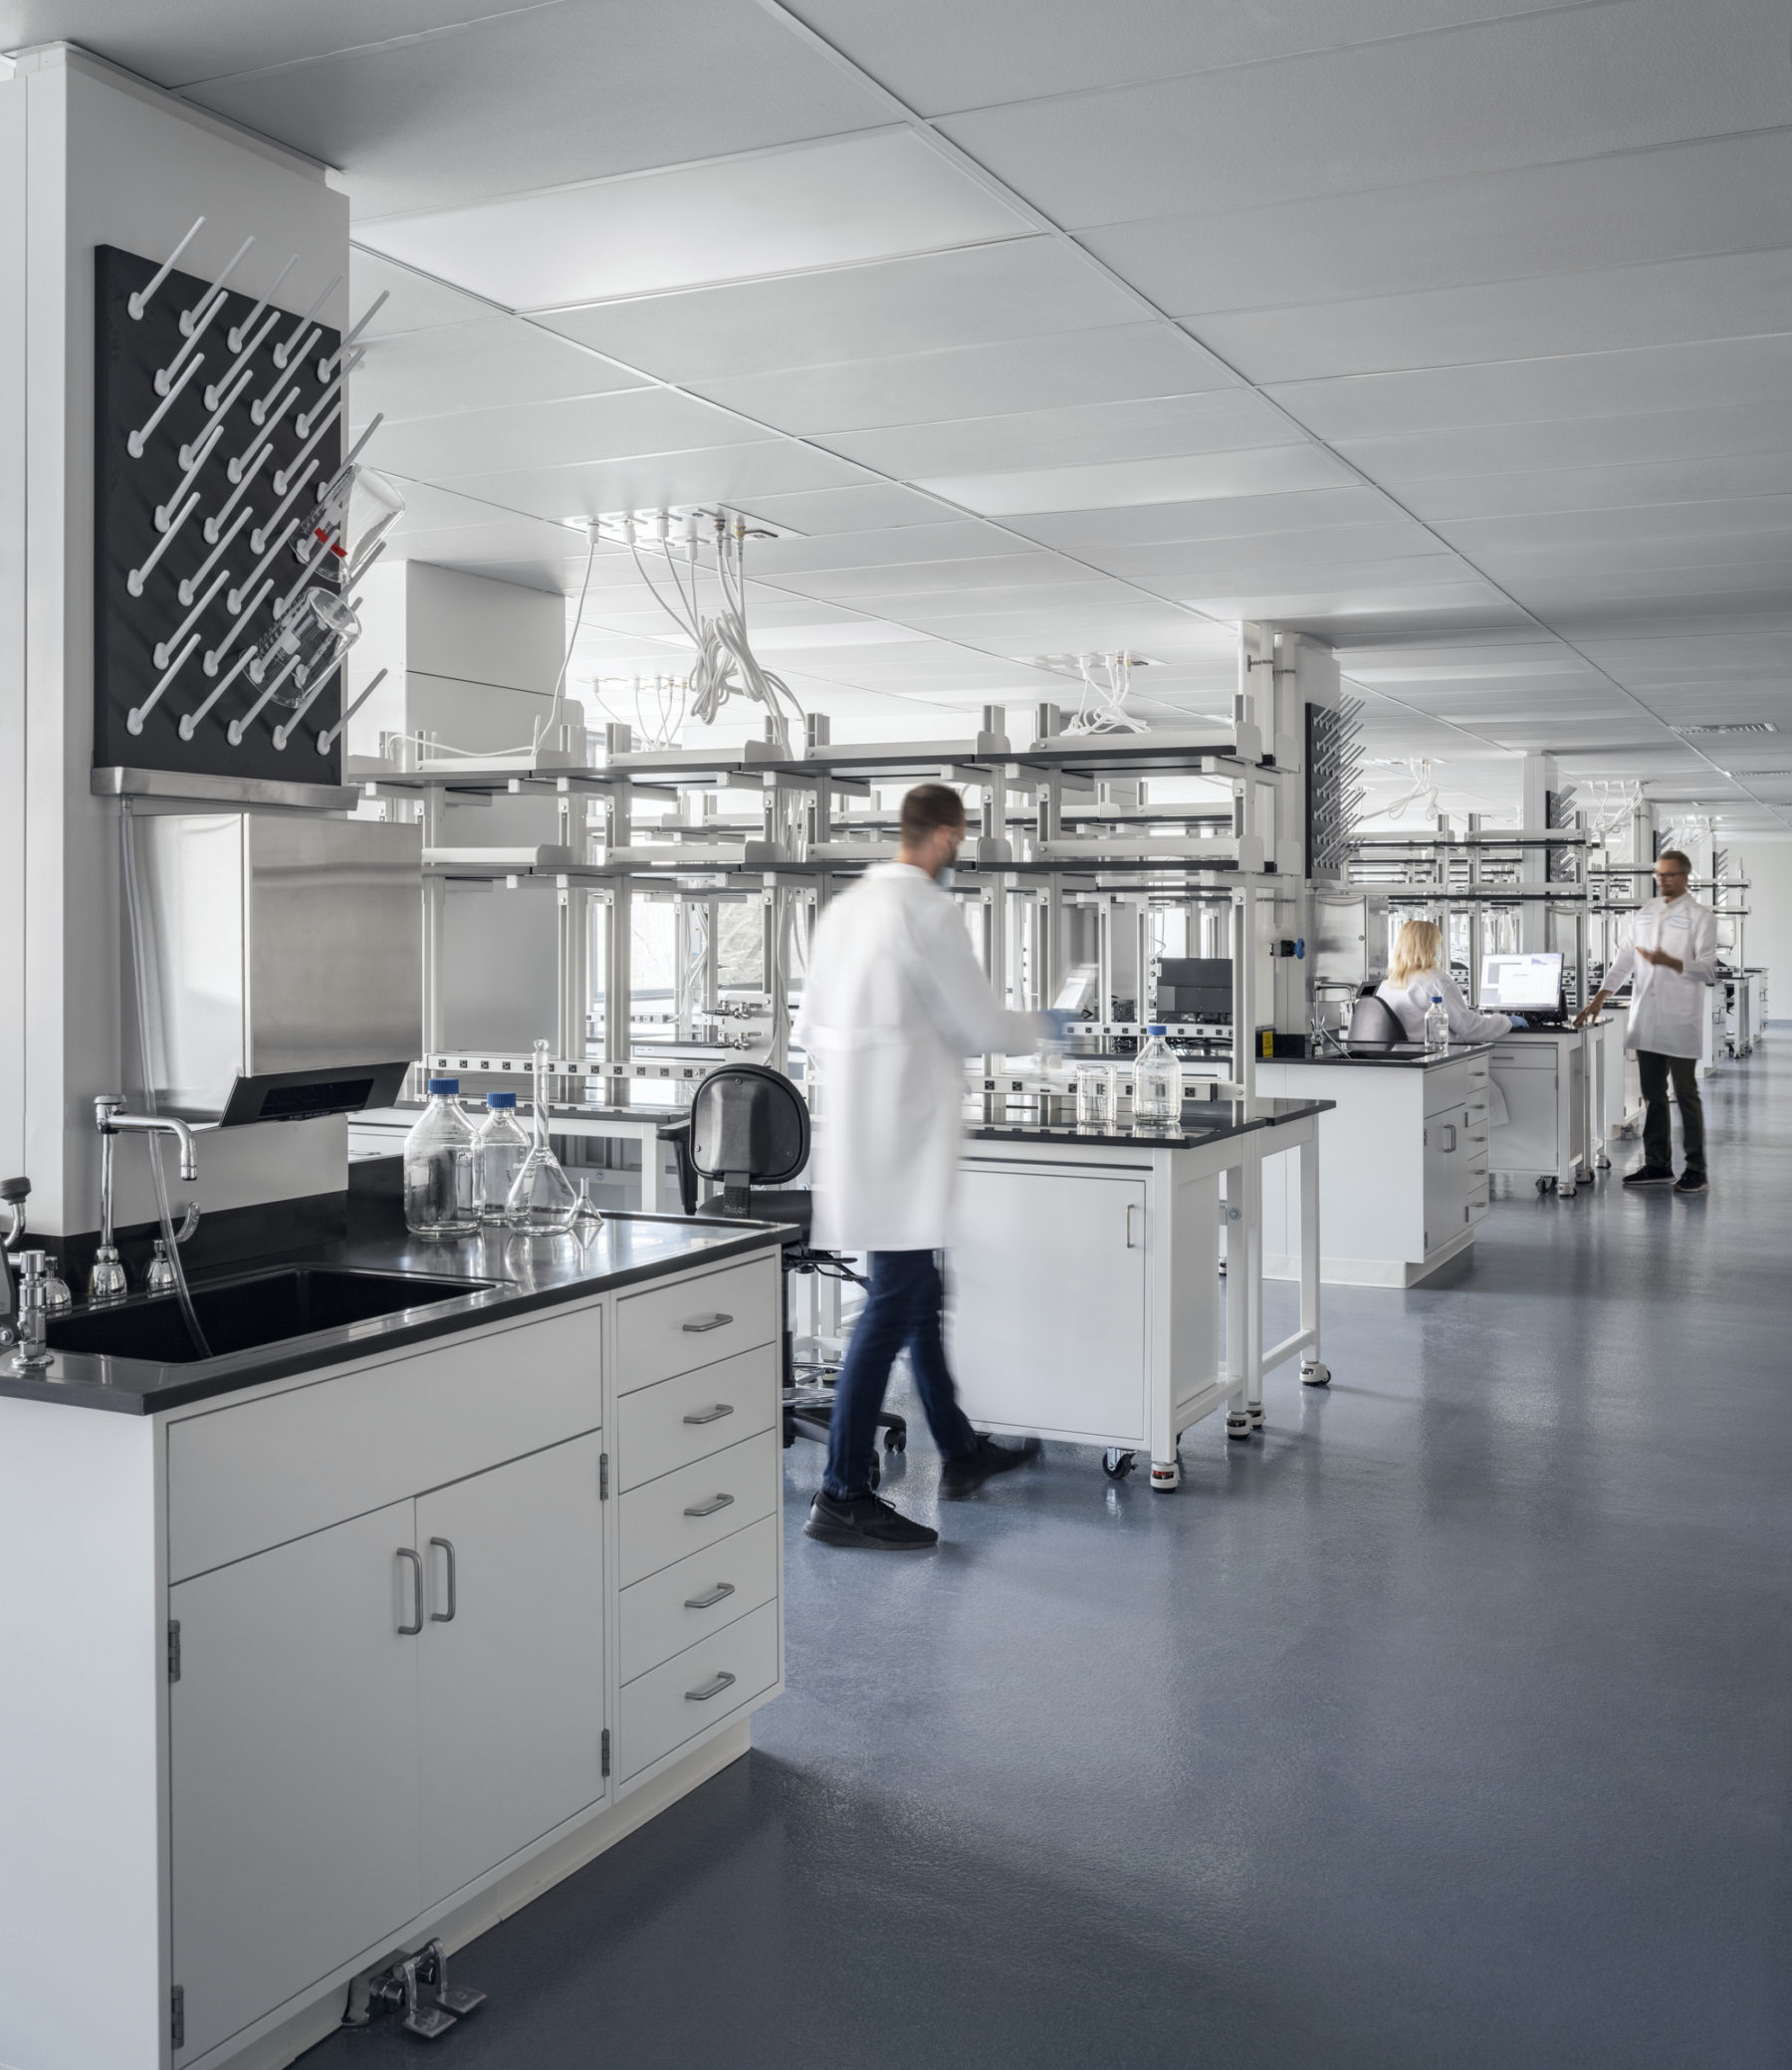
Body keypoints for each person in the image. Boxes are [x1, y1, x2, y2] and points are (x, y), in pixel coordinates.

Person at [795, 783, 1065, 1550]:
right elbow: (977, 1021)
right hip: (902, 1143)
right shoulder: (927, 909)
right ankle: (843, 1491)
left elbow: (810, 1028)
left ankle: (959, 1450)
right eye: (963, 839)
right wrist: (1045, 1025)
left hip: (860, 1140)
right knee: (892, 1306)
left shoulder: (845, 910)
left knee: (917, 1291)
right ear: (945, 837)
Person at [1574, 848, 1715, 1194]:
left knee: (1685, 1094)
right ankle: (1657, 1165)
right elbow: (1624, 960)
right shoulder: (1645, 914)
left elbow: (1710, 969)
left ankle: (1695, 1169)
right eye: (1659, 874)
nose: (1662, 880)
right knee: (1652, 1094)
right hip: (1647, 1019)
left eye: (1669, 874)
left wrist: (1672, 962)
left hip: (1681, 1020)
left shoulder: (1701, 916)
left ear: (1684, 876)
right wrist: (1598, 999)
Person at [1375, 919, 1526, 1042]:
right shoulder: (1437, 981)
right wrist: (1507, 1021)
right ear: (1431, 947)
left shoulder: (1385, 985)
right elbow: (1471, 1029)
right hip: (1434, 1059)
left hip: (1401, 1062)